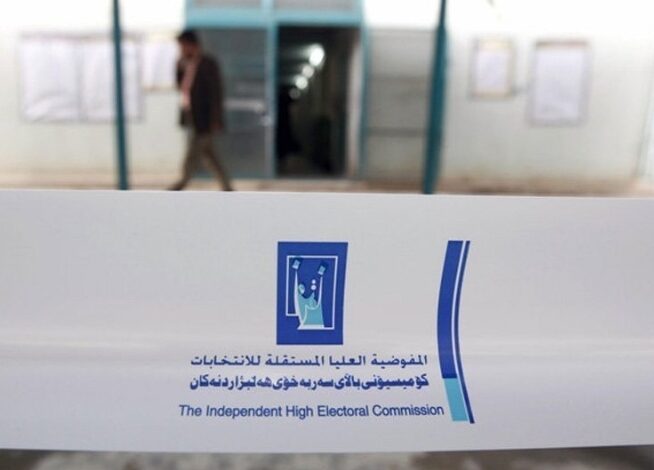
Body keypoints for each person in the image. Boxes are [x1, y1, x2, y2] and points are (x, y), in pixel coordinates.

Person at [170, 30, 233, 191]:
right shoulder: (184, 64)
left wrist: (216, 119)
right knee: (208, 154)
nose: (181, 49)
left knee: (194, 152)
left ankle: (182, 182)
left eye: (183, 46)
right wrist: (179, 67)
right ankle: (227, 187)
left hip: (205, 118)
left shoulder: (207, 64)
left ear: (192, 45)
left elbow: (216, 93)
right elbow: (181, 87)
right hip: (191, 115)